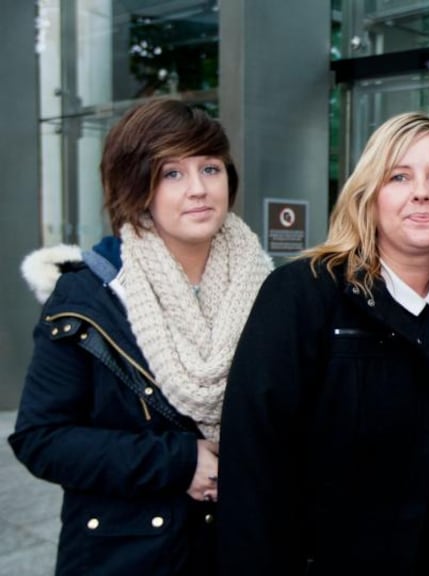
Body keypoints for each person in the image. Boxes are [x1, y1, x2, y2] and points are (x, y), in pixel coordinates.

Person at [9, 98, 273, 576]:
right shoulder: (90, 294)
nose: (198, 189)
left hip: (246, 543)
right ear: (137, 185)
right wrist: (178, 461)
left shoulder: (272, 287)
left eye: (209, 168)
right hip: (128, 554)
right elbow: (40, 439)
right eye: (171, 173)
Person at [217, 112, 429, 575]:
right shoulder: (303, 292)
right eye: (399, 176)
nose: (421, 191)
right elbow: (252, 467)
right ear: (370, 194)